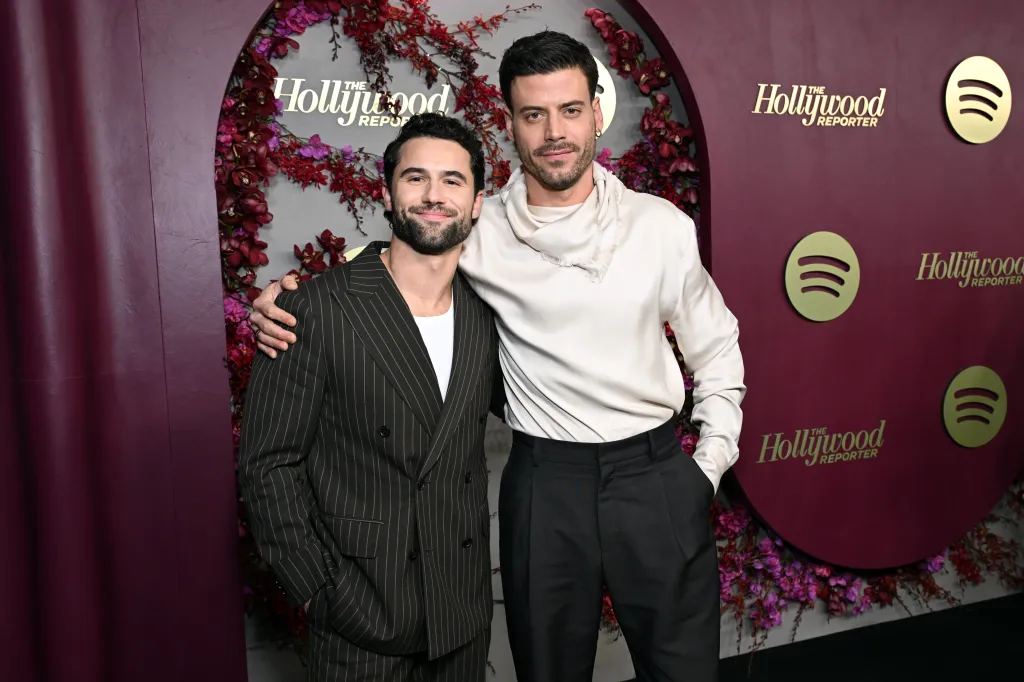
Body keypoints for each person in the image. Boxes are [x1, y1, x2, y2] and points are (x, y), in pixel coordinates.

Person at [251, 31, 744, 682]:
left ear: (597, 112)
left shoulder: (660, 227)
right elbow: (401, 257)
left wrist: (704, 469)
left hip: (654, 477)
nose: (554, 133)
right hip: (545, 484)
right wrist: (289, 298)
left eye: (570, 110)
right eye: (534, 115)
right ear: (509, 124)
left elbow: (717, 346)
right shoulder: (478, 233)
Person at [238, 113, 501, 682]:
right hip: (360, 613)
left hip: (460, 612)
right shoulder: (314, 309)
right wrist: (313, 587)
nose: (434, 195)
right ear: (387, 192)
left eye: (453, 181)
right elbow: (268, 463)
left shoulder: (488, 316)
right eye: (416, 178)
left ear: (477, 202)